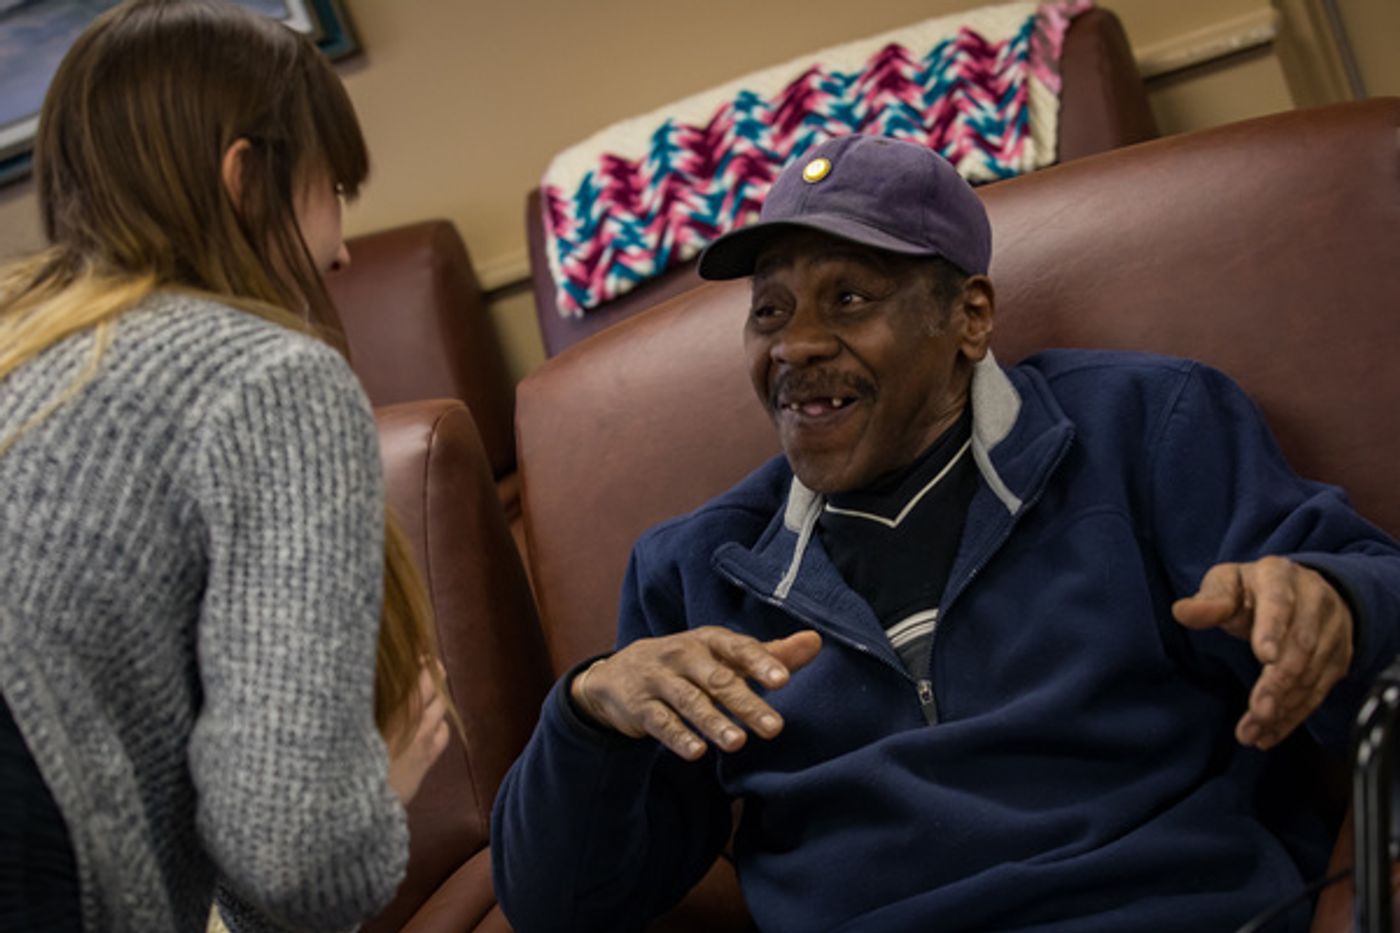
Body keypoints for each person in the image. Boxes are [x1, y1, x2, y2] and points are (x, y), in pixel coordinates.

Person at [491, 133, 1400, 932]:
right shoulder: (692, 572)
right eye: (770, 311)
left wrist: (1335, 605)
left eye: (849, 299)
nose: (794, 345)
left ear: (969, 317)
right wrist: (588, 716)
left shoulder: (1146, 425)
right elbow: (562, 907)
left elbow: (1369, 602)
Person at [0, 2, 451, 931]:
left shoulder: (24, 347)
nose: (341, 249)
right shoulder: (266, 377)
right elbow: (299, 859)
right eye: (336, 191)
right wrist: (381, 780)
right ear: (246, 180)